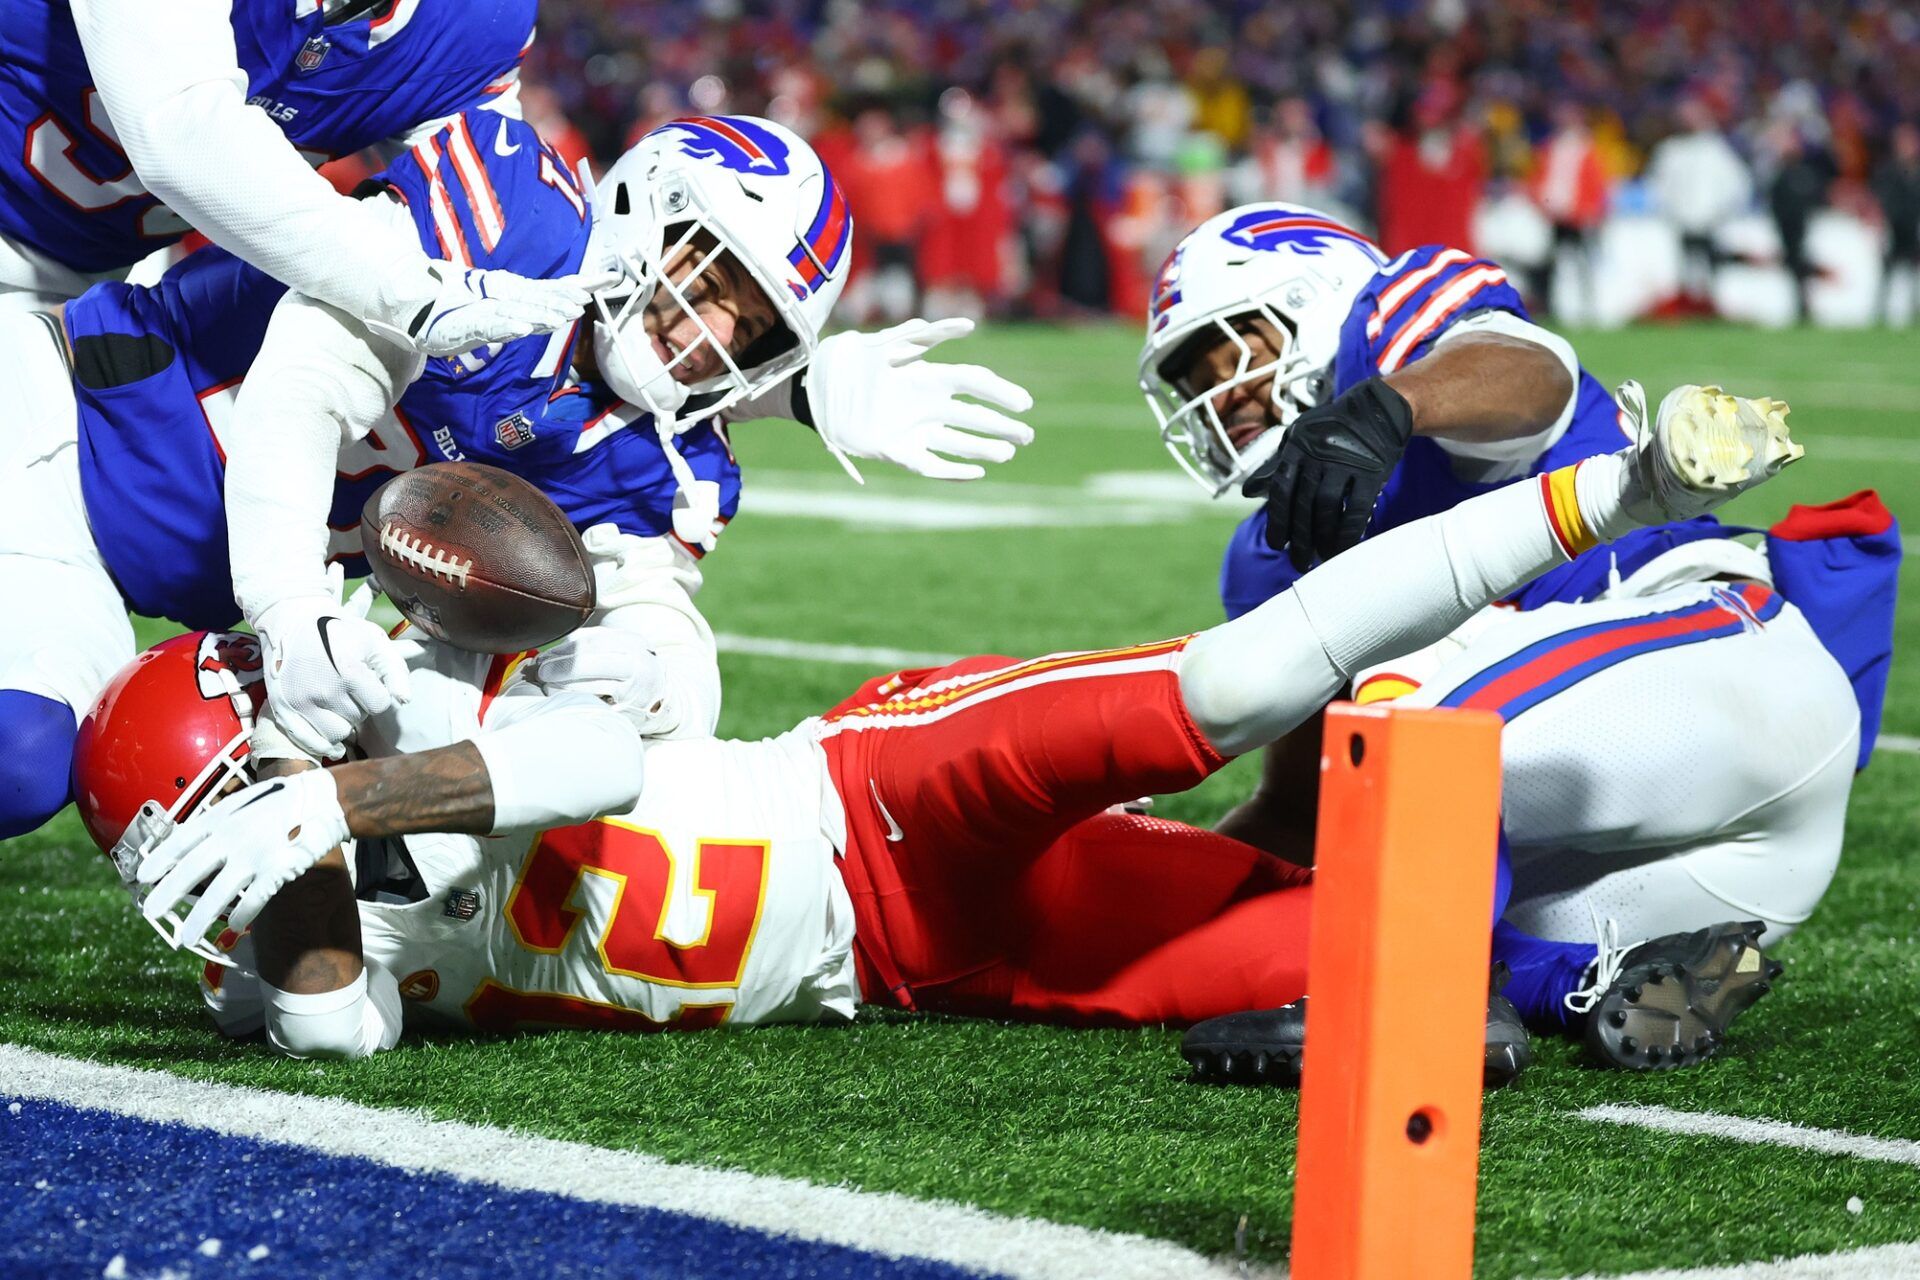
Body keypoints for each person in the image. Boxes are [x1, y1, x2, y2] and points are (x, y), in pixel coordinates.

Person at [85, 388, 1800, 1061]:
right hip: (915, 964)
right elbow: (336, 1022)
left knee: (1235, 690)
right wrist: (315, 869)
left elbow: (598, 756)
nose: (281, 754)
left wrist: (358, 788)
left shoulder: (405, 707)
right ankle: (1592, 967)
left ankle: (1624, 482)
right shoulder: (286, 962)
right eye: (249, 762)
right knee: (1352, 947)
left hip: (874, 795)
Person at [0, 112, 1032, 837]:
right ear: (639, 207)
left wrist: (646, 677)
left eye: (749, 321)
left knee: (72, 778)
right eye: (705, 272)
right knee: (21, 754)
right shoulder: (509, 208)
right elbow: (302, 386)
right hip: (63, 432)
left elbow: (666, 637)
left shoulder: (659, 458)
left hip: (174, 595)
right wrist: (287, 603)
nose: (708, 329)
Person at [1138, 201, 1899, 1079]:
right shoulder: (1273, 550)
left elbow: (1533, 372)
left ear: (1312, 296)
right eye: (1195, 373)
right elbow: (1304, 810)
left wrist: (1389, 405)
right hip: (1692, 876)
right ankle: (1592, 979)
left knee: (1410, 724)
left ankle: (1423, 995)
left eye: (1234, 350)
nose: (1218, 394)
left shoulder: (1394, 320)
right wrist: (1156, 884)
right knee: (1367, 867)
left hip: (1723, 676)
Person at [0, 0, 605, 352]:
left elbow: (496, 221)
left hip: (76, 281)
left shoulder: (478, 24)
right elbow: (181, 129)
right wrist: (411, 292)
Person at [1644, 97, 1754, 312]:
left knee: (1710, 268)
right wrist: (1670, 211)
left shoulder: (1716, 150)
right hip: (1680, 223)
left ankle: (1710, 308)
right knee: (1684, 268)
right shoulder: (1670, 150)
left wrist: (1720, 212)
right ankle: (1687, 308)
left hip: (1710, 223)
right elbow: (1657, 187)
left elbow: (1737, 184)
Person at [1872, 123, 1920, 326]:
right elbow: (1882, 200)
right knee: (1888, 272)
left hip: (1912, 229)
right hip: (1893, 229)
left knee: (1912, 273)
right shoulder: (1888, 172)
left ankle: (1913, 310)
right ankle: (1880, 311)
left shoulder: (1915, 172)